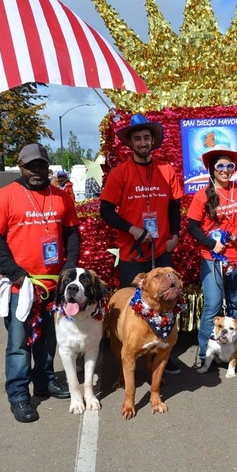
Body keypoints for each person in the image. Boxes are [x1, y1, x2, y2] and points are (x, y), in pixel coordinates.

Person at [0, 143, 80, 423]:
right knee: (19, 342)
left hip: (53, 284)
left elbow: (72, 234)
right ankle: (19, 395)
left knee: (48, 340)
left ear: (48, 167)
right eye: (30, 166)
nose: (37, 171)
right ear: (21, 167)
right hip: (21, 286)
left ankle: (45, 381)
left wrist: (69, 267)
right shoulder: (4, 197)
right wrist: (14, 272)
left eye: (41, 166)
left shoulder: (61, 197)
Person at [99, 113, 184, 374]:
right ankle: (132, 355)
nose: (143, 142)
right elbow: (106, 210)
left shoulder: (166, 170)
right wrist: (133, 229)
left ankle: (163, 352)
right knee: (135, 309)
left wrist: (175, 236)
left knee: (167, 305)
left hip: (161, 251)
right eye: (138, 138)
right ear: (131, 143)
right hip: (132, 254)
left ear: (153, 141)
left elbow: (174, 205)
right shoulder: (120, 172)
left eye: (147, 137)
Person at [187, 149, 237, 367]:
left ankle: (232, 351)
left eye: (229, 166)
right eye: (220, 166)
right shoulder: (203, 195)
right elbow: (192, 226)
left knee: (233, 305)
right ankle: (205, 353)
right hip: (211, 258)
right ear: (212, 170)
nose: (225, 170)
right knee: (213, 306)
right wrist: (211, 243)